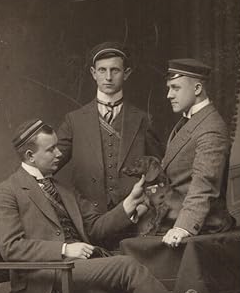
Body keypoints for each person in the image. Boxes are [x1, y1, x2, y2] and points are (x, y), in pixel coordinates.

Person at [0, 119, 171, 293]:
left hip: (78, 271)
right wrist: (64, 249)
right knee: (127, 266)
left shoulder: (62, 189)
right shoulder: (7, 191)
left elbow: (95, 228)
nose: (59, 153)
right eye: (51, 149)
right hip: (45, 279)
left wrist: (130, 202)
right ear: (30, 156)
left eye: (58, 146)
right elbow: (11, 247)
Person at [56, 41, 163, 213]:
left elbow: (158, 171)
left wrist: (145, 205)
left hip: (134, 217)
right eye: (102, 70)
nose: (108, 77)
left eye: (115, 70)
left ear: (126, 73)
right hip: (88, 218)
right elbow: (48, 163)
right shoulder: (74, 121)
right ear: (93, 73)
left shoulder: (143, 119)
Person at [160, 58, 235, 248]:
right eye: (169, 88)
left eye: (175, 88)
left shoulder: (211, 127)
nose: (169, 95)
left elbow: (204, 183)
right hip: (172, 216)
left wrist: (183, 227)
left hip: (202, 225)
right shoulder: (190, 120)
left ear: (197, 89)